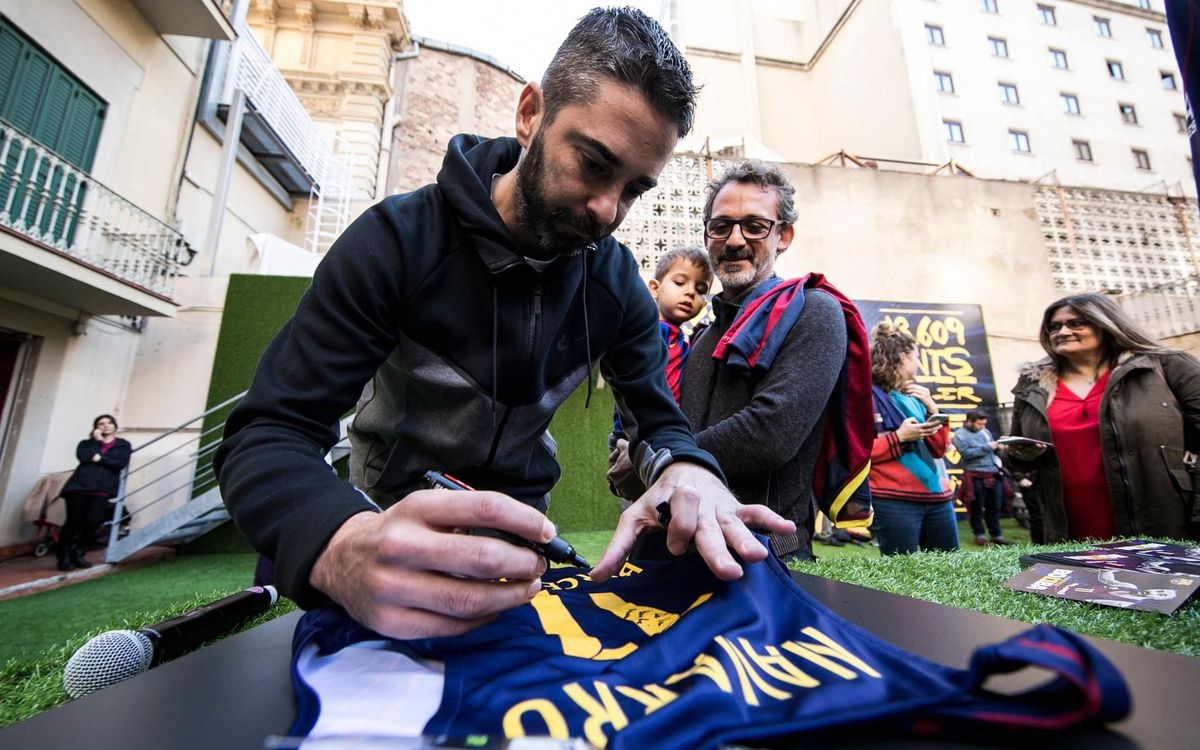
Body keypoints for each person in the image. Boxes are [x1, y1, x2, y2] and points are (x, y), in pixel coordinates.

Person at [214, 8, 795, 640]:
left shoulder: (618, 284)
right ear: (530, 114)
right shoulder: (396, 241)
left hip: (521, 548)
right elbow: (270, 429)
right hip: (390, 524)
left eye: (634, 189)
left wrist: (690, 470)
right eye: (594, 164)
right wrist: (339, 540)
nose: (608, 211)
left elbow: (658, 422)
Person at [609, 161, 874, 562]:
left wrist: (651, 458)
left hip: (766, 555)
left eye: (754, 226)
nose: (734, 240)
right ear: (707, 235)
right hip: (675, 549)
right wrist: (643, 459)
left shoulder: (814, 310)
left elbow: (769, 434)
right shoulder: (700, 337)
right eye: (722, 226)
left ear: (783, 236)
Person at [1009, 293, 1200, 542]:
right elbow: (1016, 455)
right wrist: (1018, 453)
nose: (1062, 331)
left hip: (1161, 519)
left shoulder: (1166, 366)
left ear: (1106, 323)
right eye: (1054, 326)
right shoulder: (1032, 383)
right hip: (1068, 526)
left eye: (1076, 323)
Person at [609, 245, 712, 451]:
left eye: (701, 290)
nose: (690, 292)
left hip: (662, 432)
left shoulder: (682, 339)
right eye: (680, 282)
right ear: (655, 288)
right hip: (635, 434)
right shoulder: (650, 332)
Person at [867, 322, 958, 555]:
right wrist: (898, 438)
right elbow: (855, 455)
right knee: (901, 575)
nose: (918, 364)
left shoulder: (916, 396)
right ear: (904, 357)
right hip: (894, 500)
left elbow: (938, 450)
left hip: (938, 497)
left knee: (951, 572)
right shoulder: (864, 397)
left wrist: (933, 408)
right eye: (917, 358)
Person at [58, 414, 131, 571]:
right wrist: (97, 442)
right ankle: (63, 555)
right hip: (78, 486)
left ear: (114, 426)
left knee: (93, 521)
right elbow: (83, 457)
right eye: (101, 423)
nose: (105, 426)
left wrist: (99, 459)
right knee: (73, 521)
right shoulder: (86, 444)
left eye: (109, 423)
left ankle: (78, 552)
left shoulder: (123, 445)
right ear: (96, 427)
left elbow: (120, 463)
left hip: (102, 489)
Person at [951, 411, 1011, 547]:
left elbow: (991, 448)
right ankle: (979, 535)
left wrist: (999, 446)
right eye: (979, 423)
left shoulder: (985, 431)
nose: (982, 426)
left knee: (994, 507)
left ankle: (996, 535)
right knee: (976, 508)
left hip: (993, 472)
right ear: (969, 421)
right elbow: (966, 454)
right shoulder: (959, 435)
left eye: (984, 423)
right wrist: (987, 447)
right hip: (975, 475)